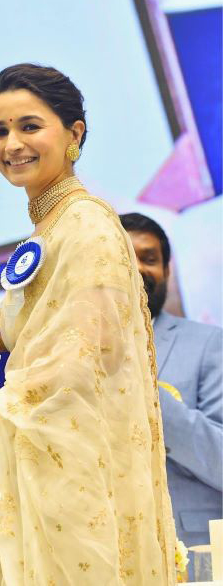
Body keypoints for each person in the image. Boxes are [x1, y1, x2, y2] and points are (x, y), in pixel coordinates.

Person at [0, 64, 177, 584]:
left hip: (81, 483)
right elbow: (66, 337)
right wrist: (8, 341)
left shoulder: (85, 225)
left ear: (74, 133)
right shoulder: (53, 224)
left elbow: (84, 361)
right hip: (60, 470)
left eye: (29, 126)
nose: (12, 144)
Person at [120, 212, 222, 548]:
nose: (136, 268)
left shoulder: (209, 344)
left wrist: (142, 391)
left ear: (166, 270)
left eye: (149, 258)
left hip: (192, 549)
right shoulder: (68, 354)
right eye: (121, 257)